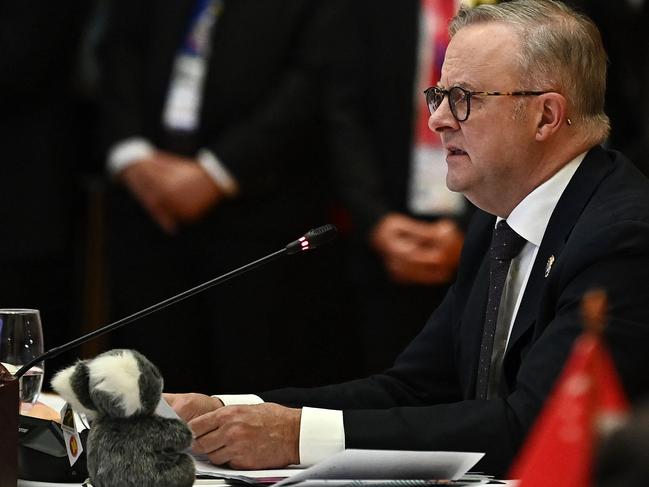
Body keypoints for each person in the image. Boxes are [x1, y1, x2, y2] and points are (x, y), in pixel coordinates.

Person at [165, 0, 649, 476]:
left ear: (546, 116)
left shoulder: (620, 238)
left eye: (464, 98)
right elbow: (414, 389)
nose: (438, 119)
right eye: (437, 96)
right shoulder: (498, 220)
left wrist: (296, 436)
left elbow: (535, 426)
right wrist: (223, 411)